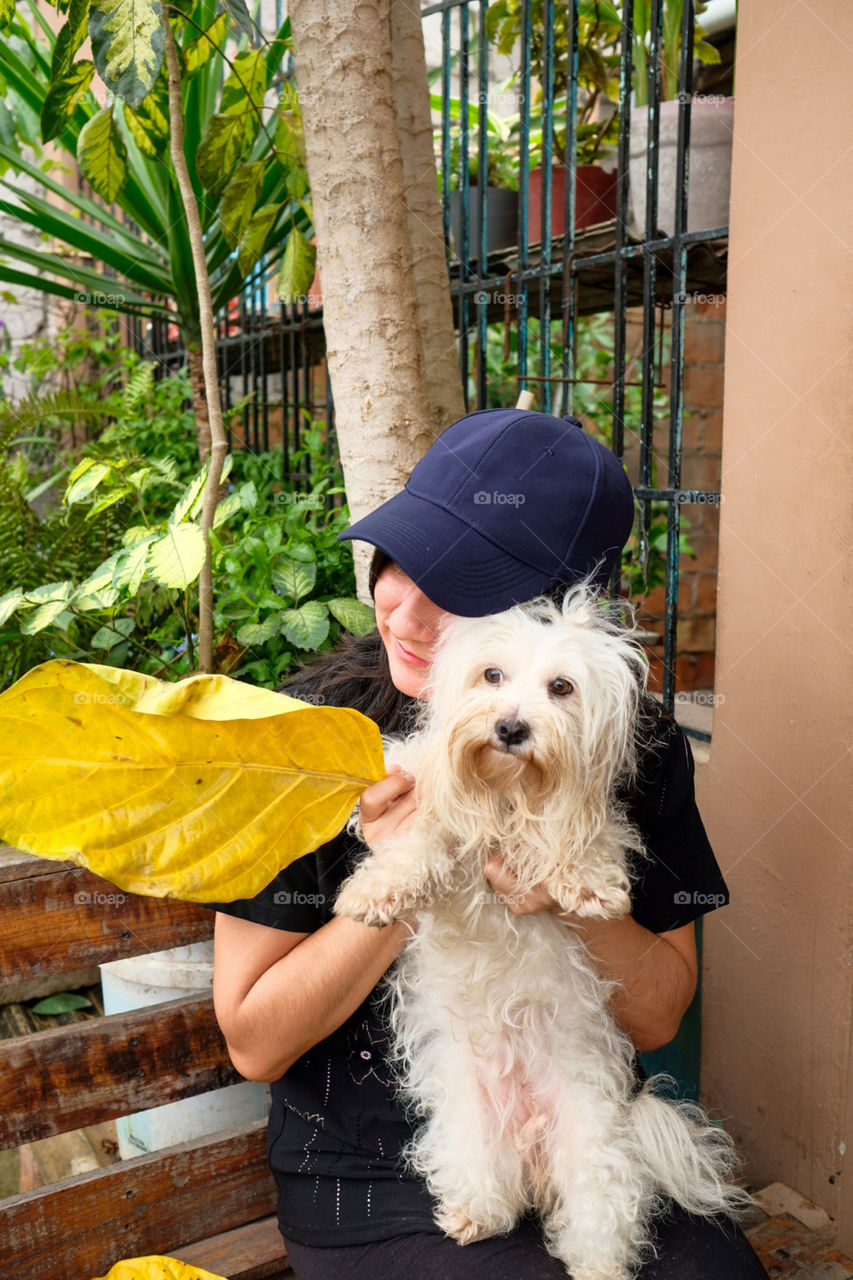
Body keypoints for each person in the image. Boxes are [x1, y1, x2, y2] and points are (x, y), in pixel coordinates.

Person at [210, 408, 767, 1280]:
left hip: (575, 1126)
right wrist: (417, 869)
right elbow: (253, 1041)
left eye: (465, 582)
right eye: (404, 557)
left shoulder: (631, 750)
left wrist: (564, 898)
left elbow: (657, 1012)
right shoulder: (312, 736)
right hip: (365, 1180)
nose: (408, 609)